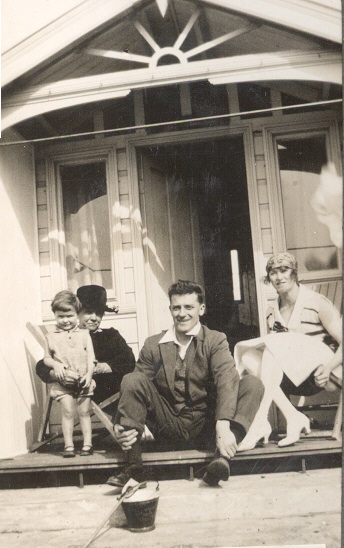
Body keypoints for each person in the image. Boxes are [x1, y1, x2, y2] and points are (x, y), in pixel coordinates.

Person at [106, 280, 264, 488]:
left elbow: (227, 379)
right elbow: (133, 386)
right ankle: (135, 468)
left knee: (252, 384)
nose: (182, 313)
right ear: (170, 309)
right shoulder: (154, 344)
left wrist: (223, 424)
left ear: (201, 309)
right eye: (176, 307)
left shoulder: (215, 340)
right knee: (132, 379)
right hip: (168, 423)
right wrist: (121, 423)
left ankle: (221, 459)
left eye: (188, 307)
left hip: (206, 425)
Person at [234, 252, 342, 451]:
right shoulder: (272, 311)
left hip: (322, 374)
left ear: (294, 273)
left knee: (274, 344)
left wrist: (328, 368)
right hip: (292, 376)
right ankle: (292, 416)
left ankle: (260, 422)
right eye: (273, 273)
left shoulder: (317, 303)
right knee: (248, 356)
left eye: (284, 271)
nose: (278, 277)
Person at [36, 285, 136, 405]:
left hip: (110, 390)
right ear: (78, 313)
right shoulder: (66, 336)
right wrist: (58, 374)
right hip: (80, 390)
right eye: (88, 312)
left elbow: (129, 359)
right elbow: (41, 366)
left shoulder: (111, 335)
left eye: (99, 313)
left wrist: (101, 367)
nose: (94, 318)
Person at [43, 290, 96, 458]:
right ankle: (69, 445)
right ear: (55, 316)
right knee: (67, 412)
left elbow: (91, 358)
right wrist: (55, 364)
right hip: (63, 383)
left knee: (84, 412)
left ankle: (87, 444)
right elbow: (46, 358)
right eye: (60, 316)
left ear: (77, 315)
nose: (65, 320)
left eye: (69, 316)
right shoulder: (51, 337)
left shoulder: (84, 334)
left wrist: (89, 375)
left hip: (83, 381)